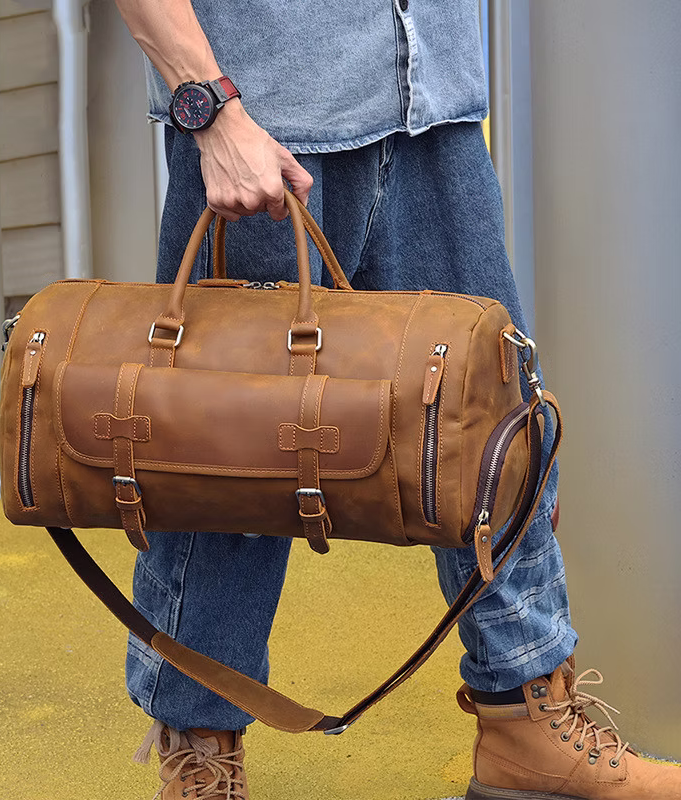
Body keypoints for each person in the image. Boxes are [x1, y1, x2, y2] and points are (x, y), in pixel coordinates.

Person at [112, 2, 681, 798]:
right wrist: (207, 107)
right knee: (225, 456)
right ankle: (200, 758)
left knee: (497, 428)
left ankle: (526, 723)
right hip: (271, 122)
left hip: (434, 103)